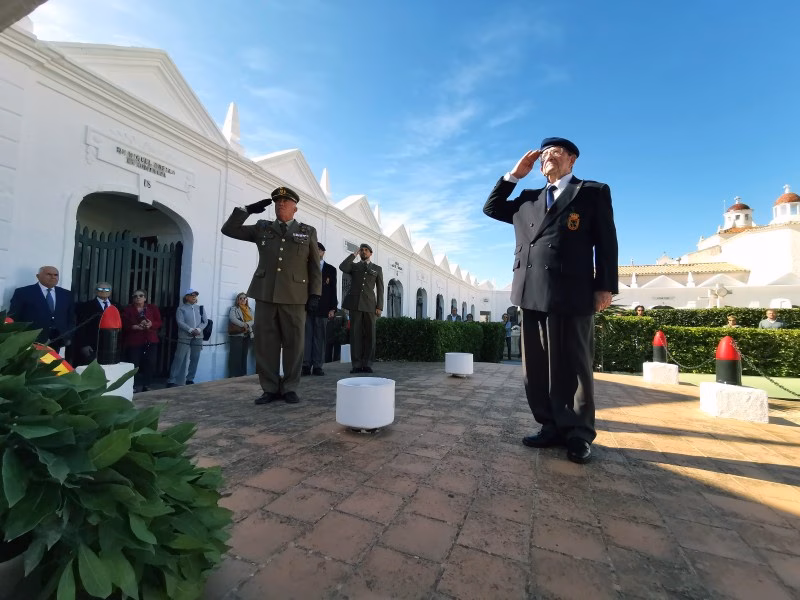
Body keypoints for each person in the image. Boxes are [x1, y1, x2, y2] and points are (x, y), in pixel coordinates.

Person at [483, 137, 618, 464]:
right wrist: (514, 175)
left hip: (572, 291)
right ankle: (550, 425)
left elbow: (607, 242)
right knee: (537, 367)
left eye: (554, 153)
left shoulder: (591, 192)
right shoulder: (528, 198)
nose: (547, 158)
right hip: (530, 291)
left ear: (572, 159)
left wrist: (605, 287)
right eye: (543, 155)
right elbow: (492, 207)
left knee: (575, 364)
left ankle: (579, 433)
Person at [221, 186, 321, 404]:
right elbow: (229, 229)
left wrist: (315, 294)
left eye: (285, 202)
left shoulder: (307, 231)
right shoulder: (262, 228)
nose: (280, 205)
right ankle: (269, 388)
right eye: (277, 202)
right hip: (265, 293)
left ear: (295, 208)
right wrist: (245, 210)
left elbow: (314, 266)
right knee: (266, 344)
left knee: (295, 344)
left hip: (295, 297)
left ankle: (290, 387)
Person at [340, 243, 384, 374]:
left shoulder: (377, 268)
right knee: (355, 335)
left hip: (370, 305)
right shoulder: (354, 266)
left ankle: (368, 363)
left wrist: (379, 306)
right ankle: (357, 364)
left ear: (371, 253)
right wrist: (353, 254)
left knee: (370, 335)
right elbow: (342, 267)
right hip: (355, 304)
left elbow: (380, 289)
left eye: (366, 250)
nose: (364, 252)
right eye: (362, 250)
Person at [9, 265, 74, 349]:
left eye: (55, 275)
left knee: (51, 362)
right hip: (31, 340)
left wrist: (68, 335)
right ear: (38, 276)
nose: (53, 277)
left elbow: (71, 317)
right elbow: (14, 316)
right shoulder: (23, 292)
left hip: (57, 340)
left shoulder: (66, 294)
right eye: (49, 274)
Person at [303, 242, 338, 376]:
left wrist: (332, 308)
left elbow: (333, 290)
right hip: (307, 306)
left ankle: (317, 365)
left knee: (320, 338)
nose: (315, 252)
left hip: (323, 308)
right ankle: (305, 365)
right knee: (306, 337)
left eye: (318, 250)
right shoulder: (305, 266)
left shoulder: (330, 269)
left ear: (323, 252)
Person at [121, 289, 162, 393]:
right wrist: (134, 327)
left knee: (150, 362)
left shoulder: (152, 308)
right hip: (135, 341)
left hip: (150, 340)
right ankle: (131, 386)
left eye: (140, 295)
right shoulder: (128, 309)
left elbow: (159, 322)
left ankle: (147, 385)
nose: (138, 298)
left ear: (145, 298)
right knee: (133, 364)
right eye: (135, 296)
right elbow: (124, 324)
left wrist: (151, 324)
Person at [167, 289, 207, 387]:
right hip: (185, 337)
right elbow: (180, 322)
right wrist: (190, 330)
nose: (194, 296)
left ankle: (190, 379)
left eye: (195, 295)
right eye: (191, 295)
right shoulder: (181, 309)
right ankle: (171, 380)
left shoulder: (200, 308)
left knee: (195, 358)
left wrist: (198, 329)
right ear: (186, 297)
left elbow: (205, 321)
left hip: (198, 336)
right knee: (179, 357)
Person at [74, 281, 116, 366]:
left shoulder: (116, 306)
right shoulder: (85, 306)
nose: (103, 291)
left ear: (110, 292)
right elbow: (80, 326)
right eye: (100, 289)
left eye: (106, 289)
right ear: (95, 291)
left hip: (111, 346)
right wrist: (84, 345)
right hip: (92, 346)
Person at [228, 292, 254, 378]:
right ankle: (233, 375)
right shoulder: (234, 308)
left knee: (244, 355)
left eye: (244, 298)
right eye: (241, 298)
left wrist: (247, 324)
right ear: (238, 300)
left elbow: (253, 320)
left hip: (246, 335)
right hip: (237, 335)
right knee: (235, 355)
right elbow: (233, 319)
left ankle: (242, 374)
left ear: (247, 300)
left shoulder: (249, 309)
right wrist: (244, 324)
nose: (243, 300)